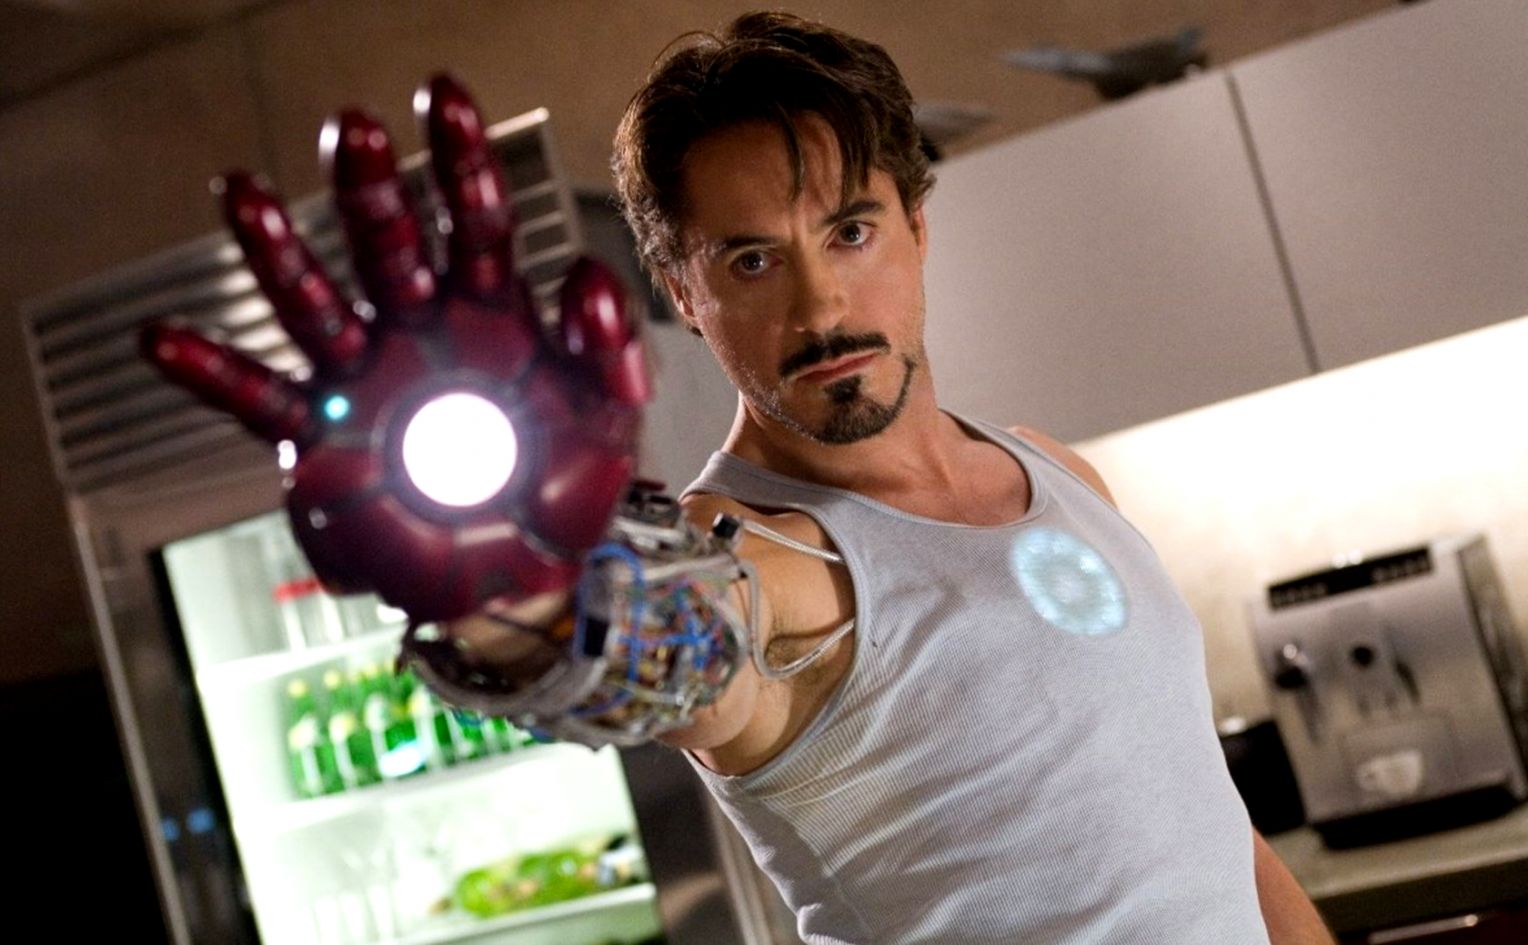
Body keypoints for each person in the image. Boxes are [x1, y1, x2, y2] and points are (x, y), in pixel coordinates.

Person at [143, 10, 1334, 945]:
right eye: (752, 260)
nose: (820, 304)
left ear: (918, 225)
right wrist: (521, 602)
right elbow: (677, 650)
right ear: (681, 289)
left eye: (850, 232)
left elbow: (1222, 841)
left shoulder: (1060, 475)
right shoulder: (759, 556)